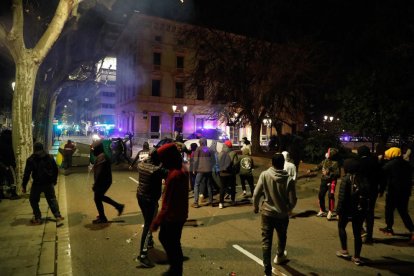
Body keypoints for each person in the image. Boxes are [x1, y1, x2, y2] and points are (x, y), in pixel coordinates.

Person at [253, 153, 297, 276]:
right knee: (282, 236)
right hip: (282, 215)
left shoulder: (265, 175)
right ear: (283, 164)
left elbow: (256, 194)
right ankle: (279, 255)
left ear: (272, 163)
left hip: (267, 213)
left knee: (266, 241)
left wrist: (256, 206)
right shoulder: (289, 179)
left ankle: (267, 269)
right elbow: (293, 200)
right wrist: (288, 209)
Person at [151, 143, 189, 276]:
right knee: (174, 242)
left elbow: (167, 203)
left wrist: (156, 222)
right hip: (181, 214)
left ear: (169, 158)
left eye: (163, 159)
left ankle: (175, 269)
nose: (162, 162)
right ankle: (176, 269)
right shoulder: (182, 169)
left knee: (168, 240)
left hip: (173, 216)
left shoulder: (174, 176)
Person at [135, 148, 167, 268]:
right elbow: (167, 173)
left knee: (148, 220)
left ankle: (149, 241)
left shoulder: (142, 164)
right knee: (148, 225)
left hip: (141, 196)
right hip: (150, 199)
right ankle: (143, 256)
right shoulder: (156, 169)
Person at [336, 158, 369, 266]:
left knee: (341, 227)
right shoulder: (363, 178)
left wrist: (338, 211)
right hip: (358, 211)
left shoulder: (346, 179)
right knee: (357, 234)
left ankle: (344, 250)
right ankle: (357, 257)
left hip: (346, 210)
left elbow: (342, 197)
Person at [21, 142, 64, 224]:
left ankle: (38, 217)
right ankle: (57, 216)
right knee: (52, 199)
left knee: (33, 200)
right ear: (42, 148)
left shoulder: (31, 159)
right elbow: (55, 170)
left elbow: (27, 174)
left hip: (37, 183)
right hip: (48, 183)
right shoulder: (49, 157)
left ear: (34, 149)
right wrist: (54, 181)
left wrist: (24, 185)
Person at [378, 147, 414, 243]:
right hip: (405, 191)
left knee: (389, 209)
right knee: (403, 211)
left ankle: (389, 227)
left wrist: (380, 161)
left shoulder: (390, 164)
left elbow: (380, 172)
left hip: (394, 191)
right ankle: (412, 230)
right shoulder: (407, 164)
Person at [90, 140, 125, 224]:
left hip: (103, 181)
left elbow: (99, 172)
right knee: (99, 198)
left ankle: (103, 217)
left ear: (98, 149)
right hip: (104, 181)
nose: (92, 151)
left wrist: (96, 184)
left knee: (97, 198)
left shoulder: (102, 157)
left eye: (93, 149)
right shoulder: (101, 156)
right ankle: (118, 206)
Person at [357, 145, 384, 244]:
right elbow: (381, 176)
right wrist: (381, 189)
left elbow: (357, 178)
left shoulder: (360, 163)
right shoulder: (376, 162)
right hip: (373, 191)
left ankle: (361, 232)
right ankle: (369, 235)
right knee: (370, 212)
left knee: (360, 211)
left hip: (362, 191)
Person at [307, 148, 340, 220]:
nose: (327, 153)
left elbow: (337, 174)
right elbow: (318, 166)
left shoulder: (335, 163)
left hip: (332, 181)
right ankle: (322, 210)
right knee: (320, 195)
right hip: (324, 180)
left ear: (331, 154)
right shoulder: (325, 161)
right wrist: (311, 170)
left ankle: (330, 212)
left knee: (330, 196)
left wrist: (328, 173)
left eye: (328, 152)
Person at [192, 138, 214, 208]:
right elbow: (213, 160)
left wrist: (194, 169)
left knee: (196, 185)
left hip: (201, 169)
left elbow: (195, 160)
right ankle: (211, 201)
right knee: (209, 185)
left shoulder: (198, 149)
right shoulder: (209, 149)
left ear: (200, 142)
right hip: (208, 170)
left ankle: (195, 202)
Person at [218, 140, 239, 209]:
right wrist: (235, 171)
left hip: (222, 173)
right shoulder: (233, 153)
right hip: (231, 173)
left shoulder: (220, 153)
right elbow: (236, 163)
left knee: (222, 188)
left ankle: (221, 203)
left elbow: (217, 163)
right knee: (232, 187)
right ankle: (232, 201)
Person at [0, 129, 19, 199]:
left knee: (1, 179)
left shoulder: (1, 142)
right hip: (8, 164)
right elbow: (10, 155)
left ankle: (1, 194)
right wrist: (13, 164)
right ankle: (13, 193)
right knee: (12, 178)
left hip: (1, 164)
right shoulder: (9, 143)